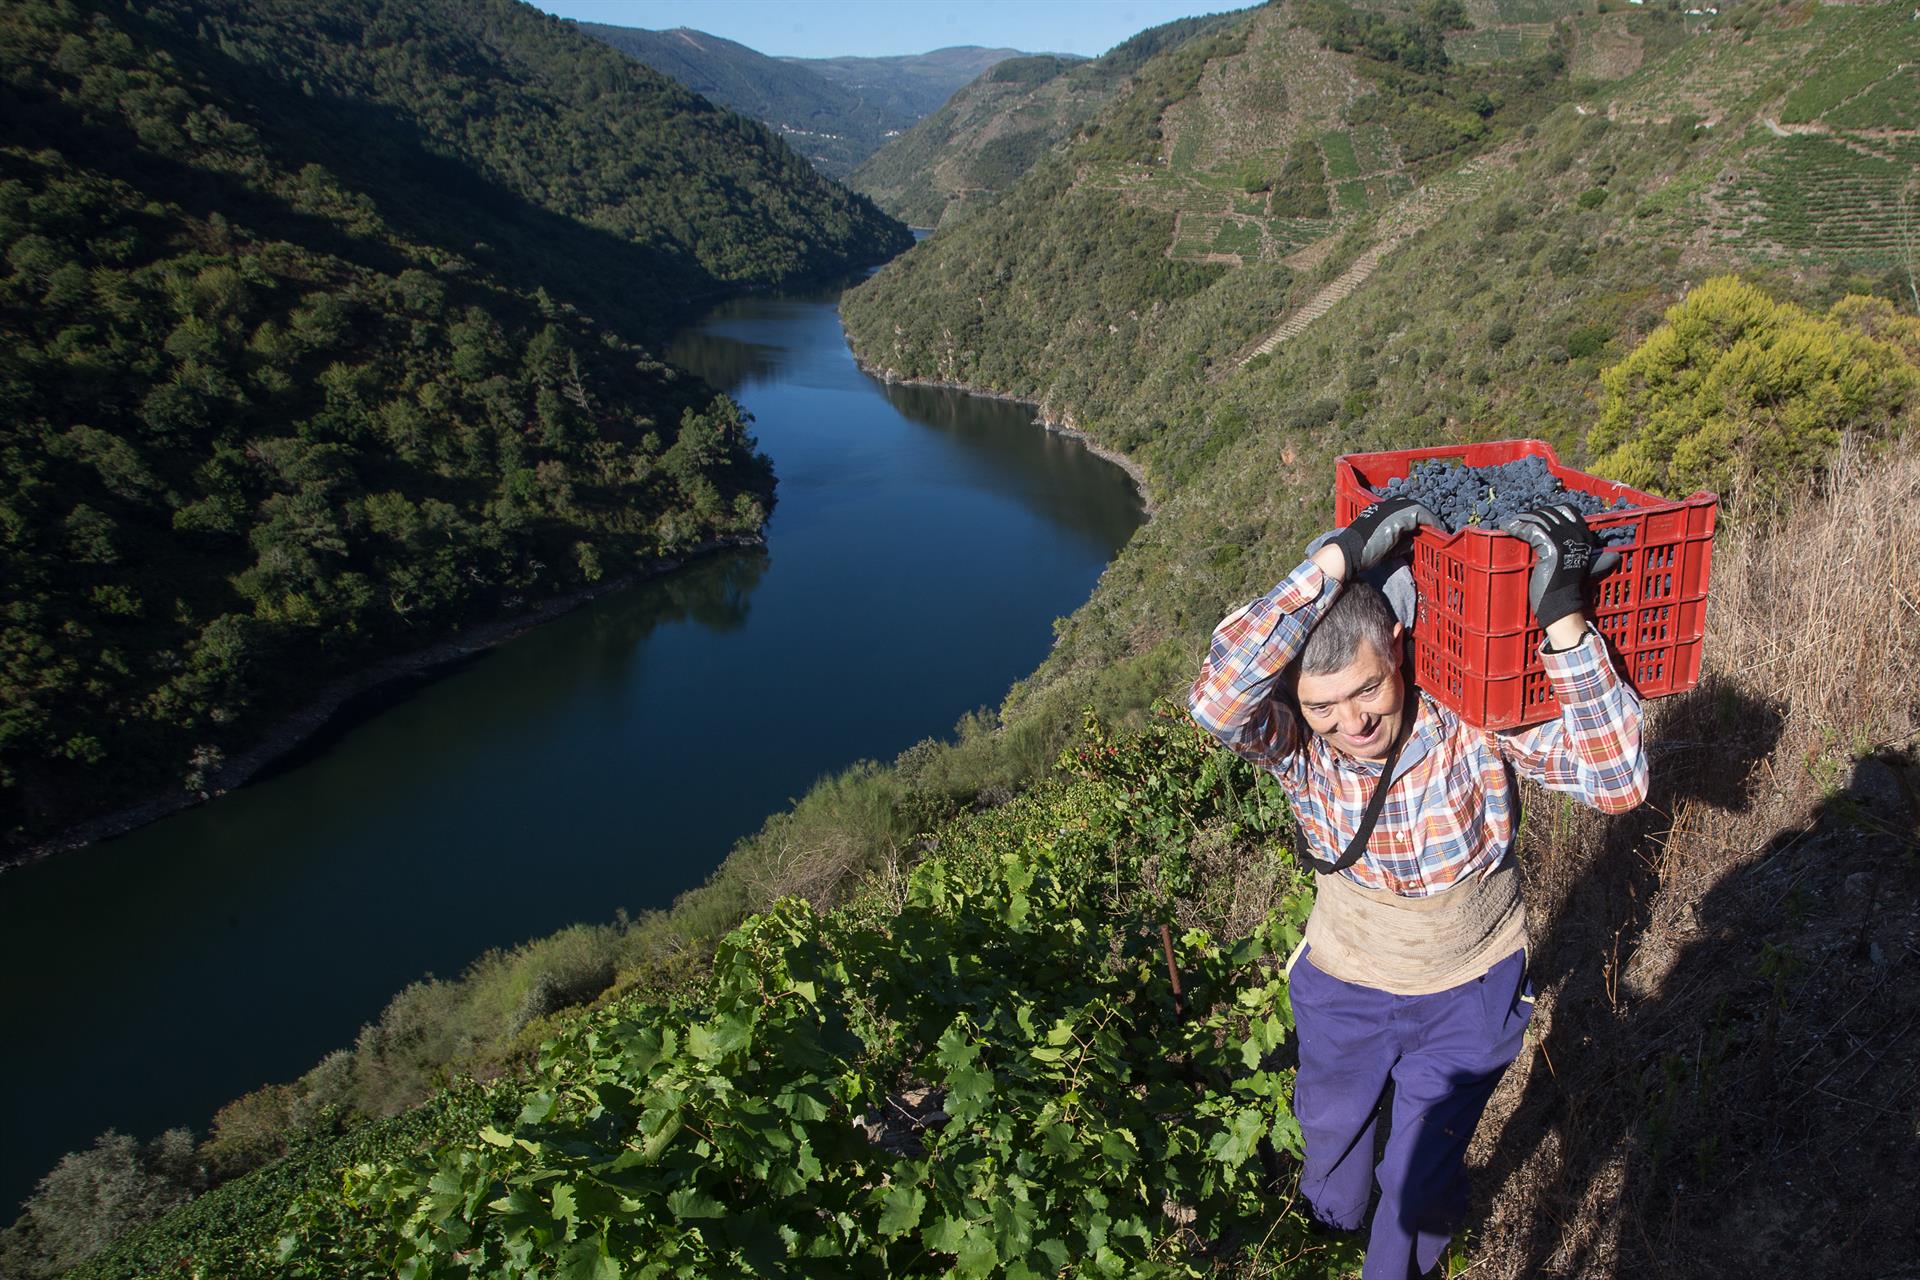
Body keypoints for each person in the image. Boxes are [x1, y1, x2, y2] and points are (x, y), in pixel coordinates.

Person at [1187, 497, 1648, 1280]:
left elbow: (1617, 779)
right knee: (1333, 1149)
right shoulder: (1299, 746)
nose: (1350, 722)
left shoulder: (1470, 716)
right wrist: (1337, 556)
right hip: (1349, 980)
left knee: (1415, 1180)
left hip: (1468, 981)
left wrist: (1565, 619)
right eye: (1323, 705)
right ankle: (1328, 1228)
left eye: (1366, 690)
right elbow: (1217, 698)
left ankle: (1400, 1267)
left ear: (1396, 647)